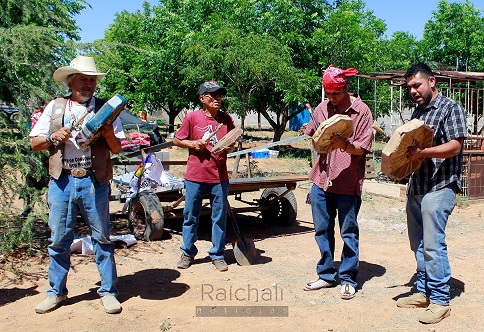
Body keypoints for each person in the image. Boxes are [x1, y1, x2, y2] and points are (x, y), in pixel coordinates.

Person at [30, 56, 126, 314]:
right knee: (59, 239)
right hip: (62, 182)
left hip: (95, 182)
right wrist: (53, 137)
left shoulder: (107, 109)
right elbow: (34, 143)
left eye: (92, 80)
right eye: (83, 79)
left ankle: (108, 291)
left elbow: (117, 149)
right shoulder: (56, 107)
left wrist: (107, 133)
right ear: (71, 81)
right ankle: (56, 293)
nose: (89, 84)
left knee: (102, 238)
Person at [396, 63, 467, 324]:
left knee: (434, 245)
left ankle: (440, 300)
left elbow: (455, 146)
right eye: (409, 87)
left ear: (432, 82)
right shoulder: (418, 112)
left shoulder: (451, 108)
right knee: (419, 244)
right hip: (417, 186)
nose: (413, 91)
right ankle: (423, 292)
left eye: (417, 85)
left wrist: (422, 153)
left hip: (440, 186)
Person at [303, 65, 373, 299]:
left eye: (336, 93)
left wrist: (342, 144)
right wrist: (310, 133)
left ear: (346, 87)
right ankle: (325, 274)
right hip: (321, 180)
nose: (332, 98)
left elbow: (361, 149)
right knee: (321, 230)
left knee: (348, 231)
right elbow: (313, 133)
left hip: (347, 183)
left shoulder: (362, 111)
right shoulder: (323, 108)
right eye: (328, 93)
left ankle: (348, 278)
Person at [173, 80, 235, 272]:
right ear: (202, 98)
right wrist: (193, 144)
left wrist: (230, 146)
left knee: (219, 218)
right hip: (195, 177)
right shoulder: (192, 118)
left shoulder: (226, 119)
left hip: (219, 177)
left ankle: (217, 254)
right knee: (190, 216)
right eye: (212, 95)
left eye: (220, 95)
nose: (217, 98)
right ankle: (188, 252)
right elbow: (177, 139)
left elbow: (232, 139)